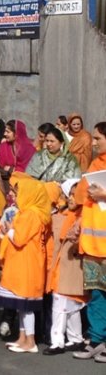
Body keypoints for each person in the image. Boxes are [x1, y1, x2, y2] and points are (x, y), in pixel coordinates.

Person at [0, 177, 51, 354]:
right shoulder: (31, 213)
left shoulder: (30, 214)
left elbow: (19, 239)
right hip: (23, 263)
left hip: (26, 265)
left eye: (17, 192)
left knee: (26, 307)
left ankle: (30, 341)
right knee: (21, 306)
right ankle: (22, 338)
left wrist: (9, 230)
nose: (14, 194)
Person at [72, 121, 106, 361]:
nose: (93, 143)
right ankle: (96, 340)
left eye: (97, 139)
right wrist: (78, 221)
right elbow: (84, 200)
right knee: (96, 294)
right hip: (93, 245)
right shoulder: (95, 165)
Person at [43, 178, 86, 355]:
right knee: (71, 303)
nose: (70, 198)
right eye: (69, 194)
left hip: (72, 265)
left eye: (74, 195)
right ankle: (75, 338)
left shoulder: (79, 216)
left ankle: (57, 341)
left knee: (62, 303)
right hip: (68, 265)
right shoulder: (69, 215)